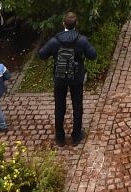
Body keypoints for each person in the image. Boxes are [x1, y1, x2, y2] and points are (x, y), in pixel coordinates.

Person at [38, 12, 97, 144]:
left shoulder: (55, 41)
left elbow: (42, 54)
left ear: (63, 24)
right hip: (76, 78)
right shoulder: (81, 40)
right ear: (76, 24)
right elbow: (93, 55)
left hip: (59, 77)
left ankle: (60, 137)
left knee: (59, 106)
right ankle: (76, 136)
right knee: (77, 106)